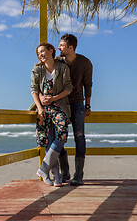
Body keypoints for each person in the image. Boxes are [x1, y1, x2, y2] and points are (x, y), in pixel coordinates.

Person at [41, 34, 93, 186]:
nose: (59, 47)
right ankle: (65, 172)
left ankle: (79, 174)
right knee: (60, 137)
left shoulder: (85, 63)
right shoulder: (57, 61)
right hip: (60, 103)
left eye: (62, 45)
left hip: (77, 104)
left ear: (71, 47)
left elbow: (88, 85)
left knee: (79, 136)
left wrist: (87, 106)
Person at [31, 42, 73, 187]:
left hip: (59, 107)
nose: (40, 55)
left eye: (42, 51)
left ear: (51, 51)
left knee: (61, 135)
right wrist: (40, 106)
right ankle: (56, 177)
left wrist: (54, 98)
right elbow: (34, 89)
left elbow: (69, 88)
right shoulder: (37, 70)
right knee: (49, 140)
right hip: (43, 109)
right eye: (38, 53)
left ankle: (43, 168)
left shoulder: (62, 68)